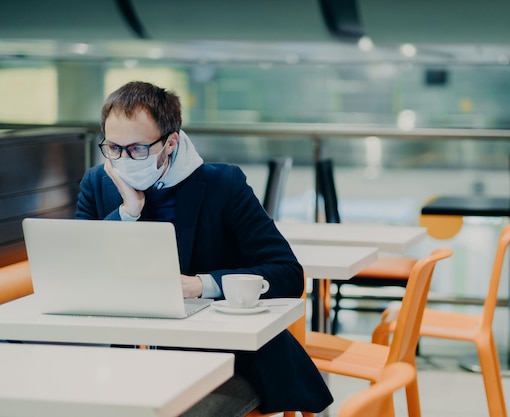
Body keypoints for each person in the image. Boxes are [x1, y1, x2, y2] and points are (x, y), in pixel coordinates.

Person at [75, 81, 333, 416]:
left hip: (228, 360)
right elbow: (82, 273)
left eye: (138, 149)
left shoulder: (223, 185)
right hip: (127, 356)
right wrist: (128, 212)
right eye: (113, 148)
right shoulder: (98, 184)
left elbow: (287, 273)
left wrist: (201, 285)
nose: (124, 159)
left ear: (170, 142)